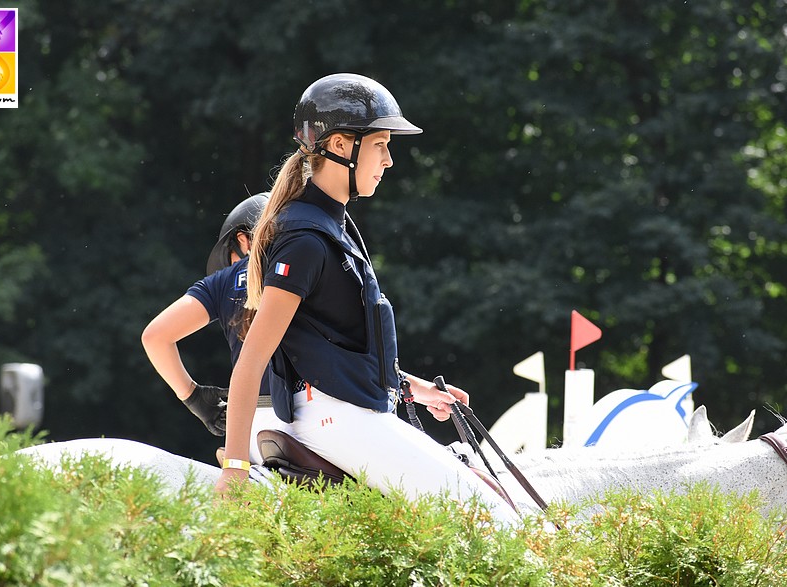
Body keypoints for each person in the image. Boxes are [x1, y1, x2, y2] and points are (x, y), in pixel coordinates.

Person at [215, 73, 519, 527]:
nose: (389, 160)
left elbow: (335, 345)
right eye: (380, 145)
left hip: (342, 409)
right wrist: (235, 468)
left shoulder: (332, 226)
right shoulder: (306, 237)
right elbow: (251, 361)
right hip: (338, 419)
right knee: (496, 521)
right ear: (340, 145)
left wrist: (415, 389)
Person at [141, 193, 286, 465]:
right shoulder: (309, 262)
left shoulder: (224, 281)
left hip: (251, 429)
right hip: (315, 411)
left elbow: (154, 337)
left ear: (244, 240)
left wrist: (194, 397)